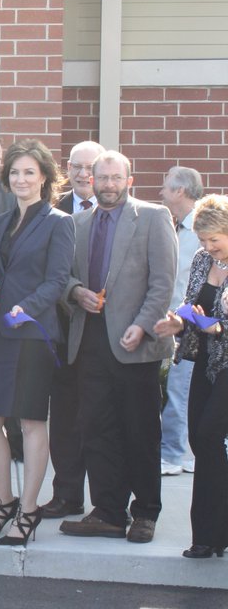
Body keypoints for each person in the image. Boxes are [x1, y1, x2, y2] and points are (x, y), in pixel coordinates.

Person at [60, 151, 177, 545]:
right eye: (101, 178)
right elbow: (64, 277)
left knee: (140, 430)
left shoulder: (153, 216)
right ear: (91, 180)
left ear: (130, 180)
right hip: (89, 340)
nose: (108, 184)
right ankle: (108, 511)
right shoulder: (77, 223)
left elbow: (163, 282)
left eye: (115, 178)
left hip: (135, 343)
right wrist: (77, 293)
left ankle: (145, 513)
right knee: (97, 429)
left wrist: (142, 326)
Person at [0, 140, 74, 546]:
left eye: (29, 172)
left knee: (31, 421)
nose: (20, 179)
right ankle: (5, 501)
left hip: (33, 332)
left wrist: (25, 308)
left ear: (45, 177)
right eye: (14, 172)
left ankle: (30, 510)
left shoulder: (58, 222)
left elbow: (58, 279)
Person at [154, 194, 228, 559]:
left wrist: (217, 328)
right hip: (206, 361)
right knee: (200, 441)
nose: (209, 247)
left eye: (215, 239)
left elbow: (216, 322)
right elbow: (191, 303)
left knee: (211, 433)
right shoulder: (202, 260)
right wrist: (178, 322)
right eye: (202, 240)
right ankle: (207, 536)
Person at [41, 139, 105, 520]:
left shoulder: (127, 213)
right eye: (77, 167)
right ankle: (66, 494)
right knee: (64, 419)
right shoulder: (53, 212)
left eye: (91, 167)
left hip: (105, 333)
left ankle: (106, 501)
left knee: (100, 419)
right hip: (63, 332)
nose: (84, 174)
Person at [158, 166, 203, 476]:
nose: (161, 190)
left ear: (180, 191)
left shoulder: (201, 230)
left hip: (194, 325)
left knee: (180, 389)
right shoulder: (175, 227)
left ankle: (175, 454)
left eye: (166, 185)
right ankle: (184, 452)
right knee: (179, 388)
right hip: (173, 324)